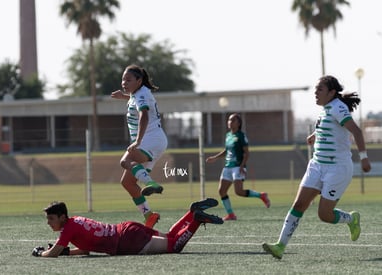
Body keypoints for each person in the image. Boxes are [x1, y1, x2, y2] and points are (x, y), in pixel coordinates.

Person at [262, 75, 372, 260]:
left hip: (337, 168)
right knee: (299, 204)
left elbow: (356, 131)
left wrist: (364, 158)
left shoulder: (338, 107)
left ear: (331, 92)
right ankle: (280, 246)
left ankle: (351, 219)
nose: (316, 92)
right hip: (317, 165)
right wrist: (316, 134)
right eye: (315, 89)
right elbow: (330, 126)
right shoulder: (326, 109)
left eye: (320, 89)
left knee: (325, 215)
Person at [31, 198, 223, 257]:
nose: (49, 222)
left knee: (174, 247)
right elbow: (87, 249)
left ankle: (196, 220)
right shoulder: (75, 221)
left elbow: (53, 253)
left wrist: (41, 253)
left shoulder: (67, 229)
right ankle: (191, 213)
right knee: (171, 236)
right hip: (128, 228)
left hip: (128, 241)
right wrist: (68, 252)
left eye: (51, 218)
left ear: (63, 217)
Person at [110, 64, 168, 228]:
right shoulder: (138, 94)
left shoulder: (141, 95)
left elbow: (144, 115)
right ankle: (149, 215)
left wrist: (137, 141)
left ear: (139, 80)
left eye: (128, 80)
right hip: (154, 140)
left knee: (124, 161)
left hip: (150, 139)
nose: (124, 82)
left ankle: (151, 183)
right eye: (123, 79)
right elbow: (137, 101)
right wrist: (124, 96)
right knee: (127, 182)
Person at [206, 113, 270, 221]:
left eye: (232, 120)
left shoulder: (241, 135)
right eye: (229, 120)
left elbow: (247, 152)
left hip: (237, 167)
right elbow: (227, 151)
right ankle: (231, 214)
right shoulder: (228, 136)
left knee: (238, 192)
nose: (230, 122)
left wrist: (242, 166)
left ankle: (261, 195)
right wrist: (215, 157)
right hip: (228, 166)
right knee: (222, 191)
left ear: (238, 123)